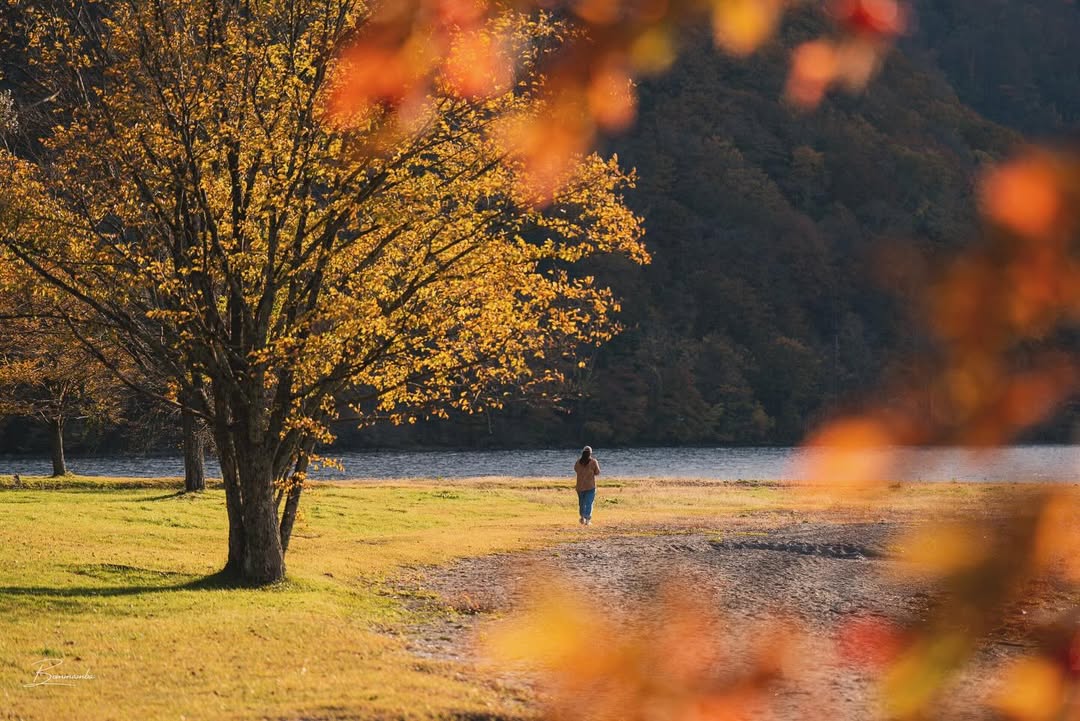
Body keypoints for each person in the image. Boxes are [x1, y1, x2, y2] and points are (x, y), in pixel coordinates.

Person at [574, 446, 600, 526]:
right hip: (590, 486)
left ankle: (582, 517)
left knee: (582, 503)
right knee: (589, 503)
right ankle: (587, 520)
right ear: (590, 453)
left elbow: (575, 469)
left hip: (580, 486)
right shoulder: (593, 462)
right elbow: (597, 472)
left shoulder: (578, 462)